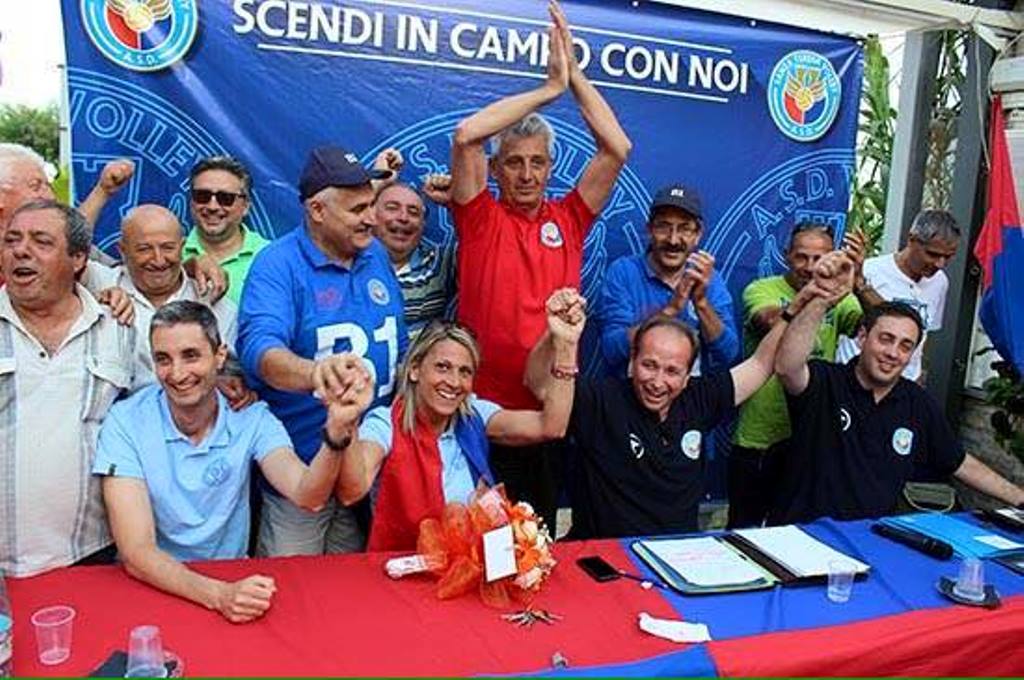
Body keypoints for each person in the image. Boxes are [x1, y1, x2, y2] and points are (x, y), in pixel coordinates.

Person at [449, 1, 631, 527]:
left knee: (536, 544)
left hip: (546, 416)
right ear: (496, 170)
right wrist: (548, 90)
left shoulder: (570, 217)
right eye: (514, 162)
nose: (526, 174)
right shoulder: (477, 214)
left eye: (537, 162)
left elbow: (616, 146)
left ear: (551, 166)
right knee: (474, 543)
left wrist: (574, 78)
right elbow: (467, 135)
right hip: (481, 414)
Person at [94, 301, 367, 622]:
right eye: (163, 360)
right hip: (158, 584)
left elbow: (308, 495)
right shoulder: (126, 421)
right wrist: (218, 595)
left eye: (191, 356)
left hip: (230, 577)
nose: (177, 373)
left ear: (220, 356)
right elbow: (136, 552)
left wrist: (336, 432)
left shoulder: (251, 417)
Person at [238, 145, 407, 556]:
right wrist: (317, 374)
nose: (372, 218)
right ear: (317, 210)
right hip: (302, 469)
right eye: (357, 209)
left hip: (368, 467)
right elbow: (259, 349)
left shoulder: (376, 255)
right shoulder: (277, 264)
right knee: (297, 594)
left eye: (372, 204)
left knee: (352, 591)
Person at [771, 251, 1024, 524]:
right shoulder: (825, 381)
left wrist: (1019, 497)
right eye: (886, 339)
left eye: (905, 345)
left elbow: (959, 462)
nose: (893, 352)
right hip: (804, 537)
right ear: (862, 337)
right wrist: (821, 298)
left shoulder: (918, 403)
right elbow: (787, 366)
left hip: (873, 543)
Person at [335, 288, 584, 551]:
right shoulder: (384, 424)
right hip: (403, 569)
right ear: (415, 369)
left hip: (471, 568)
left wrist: (566, 345)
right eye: (442, 367)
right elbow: (352, 490)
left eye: (465, 372)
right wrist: (348, 416)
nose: (454, 382)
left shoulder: (474, 414)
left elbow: (552, 426)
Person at [544, 306, 789, 539]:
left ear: (687, 375)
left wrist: (797, 309)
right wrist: (558, 337)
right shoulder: (600, 399)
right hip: (606, 559)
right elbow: (539, 384)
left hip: (674, 558)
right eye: (649, 365)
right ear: (633, 360)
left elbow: (760, 364)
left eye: (672, 371)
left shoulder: (698, 397)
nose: (658, 382)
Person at [0, 200, 135, 576]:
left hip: (91, 553)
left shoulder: (120, 328)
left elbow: (165, 397)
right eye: (12, 240)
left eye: (41, 241)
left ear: (78, 259)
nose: (21, 250)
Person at [728, 222, 862, 528]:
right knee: (743, 531)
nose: (811, 266)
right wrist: (819, 298)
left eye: (820, 258)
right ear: (786, 255)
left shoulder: (845, 296)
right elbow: (767, 320)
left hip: (808, 436)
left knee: (797, 531)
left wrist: (861, 280)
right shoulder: (762, 289)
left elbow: (876, 325)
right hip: (758, 437)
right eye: (802, 257)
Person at [88, 205, 239, 392]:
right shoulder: (99, 282)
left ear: (182, 247)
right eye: (144, 249)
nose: (158, 260)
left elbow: (233, 379)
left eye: (168, 248)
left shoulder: (215, 304)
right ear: (122, 250)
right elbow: (64, 246)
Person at [597, 184, 739, 377]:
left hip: (688, 398)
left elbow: (729, 354)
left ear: (698, 235)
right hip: (628, 396)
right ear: (649, 229)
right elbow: (612, 351)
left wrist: (702, 303)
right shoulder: (624, 272)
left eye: (684, 229)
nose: (673, 240)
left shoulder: (708, 279)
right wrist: (670, 310)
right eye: (663, 227)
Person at [838, 210, 960, 382]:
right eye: (932, 254)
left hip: (903, 387)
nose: (940, 264)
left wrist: (916, 379)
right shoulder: (869, 271)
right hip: (855, 381)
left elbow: (924, 337)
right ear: (911, 239)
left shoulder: (940, 282)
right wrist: (860, 284)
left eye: (948, 257)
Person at [372, 177, 457, 342]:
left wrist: (454, 204)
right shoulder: (349, 261)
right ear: (371, 215)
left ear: (423, 224)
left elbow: (487, 250)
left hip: (417, 363)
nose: (403, 217)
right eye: (392, 208)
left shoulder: (440, 262)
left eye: (413, 212)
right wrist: (376, 184)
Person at [182, 156, 272, 306]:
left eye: (225, 198)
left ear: (246, 206)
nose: (212, 206)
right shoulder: (169, 254)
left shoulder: (270, 256)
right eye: (202, 196)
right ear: (191, 202)